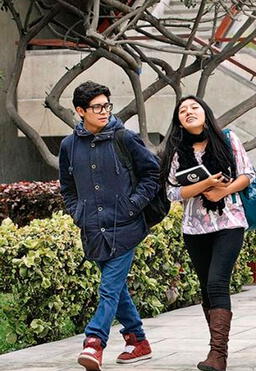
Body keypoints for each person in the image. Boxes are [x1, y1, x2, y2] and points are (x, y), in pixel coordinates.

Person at [59, 81, 158, 371]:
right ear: (80, 111)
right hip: (92, 229)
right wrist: (79, 213)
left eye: (106, 105)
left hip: (125, 227)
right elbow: (67, 186)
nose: (104, 112)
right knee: (115, 288)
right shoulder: (68, 145)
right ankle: (138, 340)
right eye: (96, 107)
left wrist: (131, 205)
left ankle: (94, 342)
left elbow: (151, 174)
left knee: (108, 289)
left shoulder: (124, 138)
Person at [159, 95, 253, 371]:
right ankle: (215, 351)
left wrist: (223, 188)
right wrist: (204, 184)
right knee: (206, 288)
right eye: (182, 110)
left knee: (216, 283)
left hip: (229, 222)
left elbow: (247, 174)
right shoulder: (176, 151)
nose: (189, 112)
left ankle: (218, 355)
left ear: (206, 112)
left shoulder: (228, 139)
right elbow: (172, 192)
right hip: (194, 227)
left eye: (194, 107)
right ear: (178, 120)